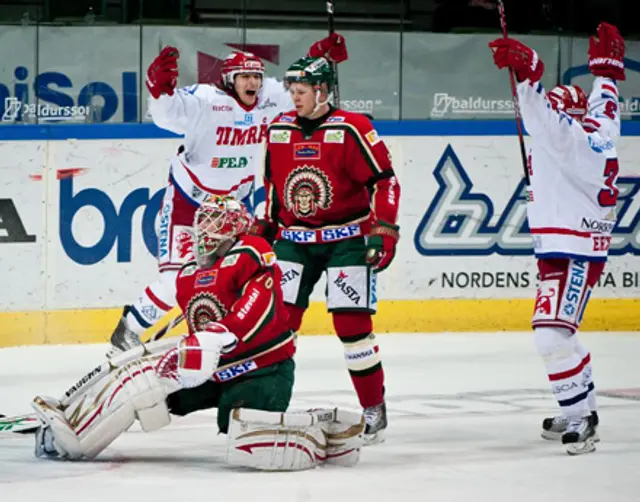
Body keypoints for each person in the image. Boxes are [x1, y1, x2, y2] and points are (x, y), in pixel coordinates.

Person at [31, 197, 365, 471]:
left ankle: (323, 431)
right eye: (203, 221)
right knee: (144, 387)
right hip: (212, 370)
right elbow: (180, 314)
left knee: (245, 437)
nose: (206, 230)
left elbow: (256, 309)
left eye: (216, 223)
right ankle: (75, 432)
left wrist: (220, 335)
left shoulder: (251, 253)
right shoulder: (191, 273)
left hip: (262, 370)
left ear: (234, 229)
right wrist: (146, 336)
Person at [107, 35, 349, 356]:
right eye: (245, 77)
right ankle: (128, 330)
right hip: (188, 203)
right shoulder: (205, 99)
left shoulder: (270, 97)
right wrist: (159, 89)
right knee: (175, 280)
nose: (253, 83)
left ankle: (231, 340)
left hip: (236, 206)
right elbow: (167, 115)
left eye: (257, 76)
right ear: (228, 80)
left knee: (239, 275)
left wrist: (320, 58)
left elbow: (302, 89)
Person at [489, 22, 625, 455]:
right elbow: (606, 104)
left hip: (575, 250)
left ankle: (582, 416)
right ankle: (579, 408)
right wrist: (607, 72)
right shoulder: (597, 130)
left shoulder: (570, 141)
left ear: (567, 117)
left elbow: (541, 120)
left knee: (550, 337)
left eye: (557, 112)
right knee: (560, 334)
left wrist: (529, 77)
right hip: (563, 247)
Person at [253, 56, 401, 444]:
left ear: (321, 91)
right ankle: (267, 409)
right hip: (295, 241)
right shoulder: (279, 129)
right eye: (291, 91)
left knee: (352, 327)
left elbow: (385, 182)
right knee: (277, 326)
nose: (293, 98)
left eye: (301, 91)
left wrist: (383, 229)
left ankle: (373, 408)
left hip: (347, 241)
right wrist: (265, 227)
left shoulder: (353, 129)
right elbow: (272, 185)